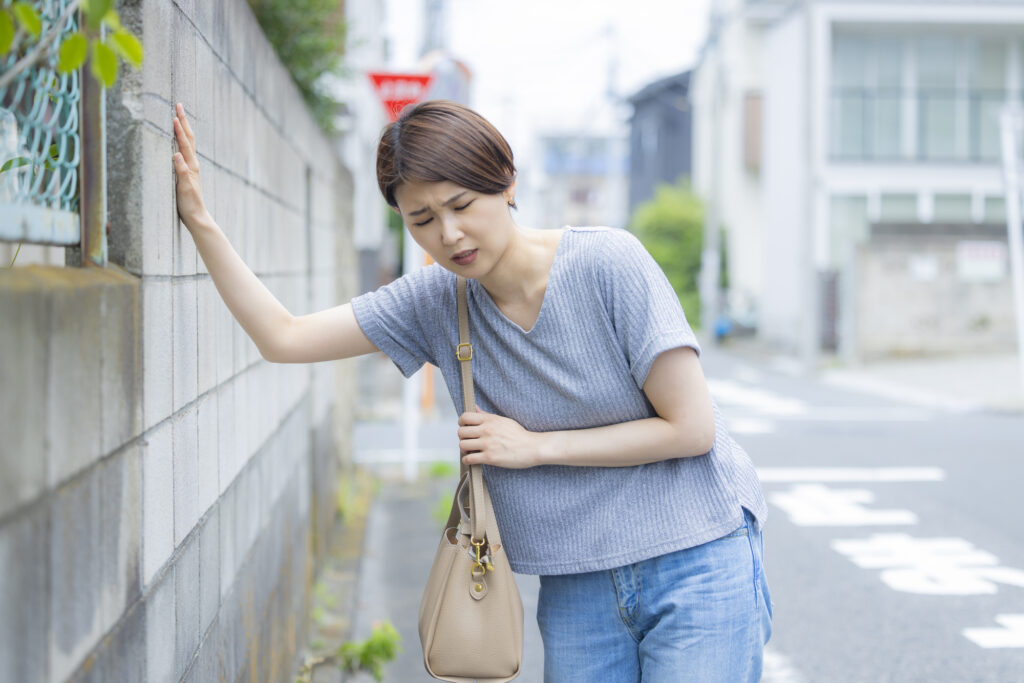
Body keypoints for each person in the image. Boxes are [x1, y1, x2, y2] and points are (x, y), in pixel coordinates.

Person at [172, 99, 773, 682]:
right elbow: (283, 337)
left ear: (506, 182)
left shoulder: (608, 263)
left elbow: (692, 429)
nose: (450, 234)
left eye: (461, 204)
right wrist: (199, 218)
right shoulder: (435, 301)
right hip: (576, 580)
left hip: (698, 558)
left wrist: (535, 447)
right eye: (422, 220)